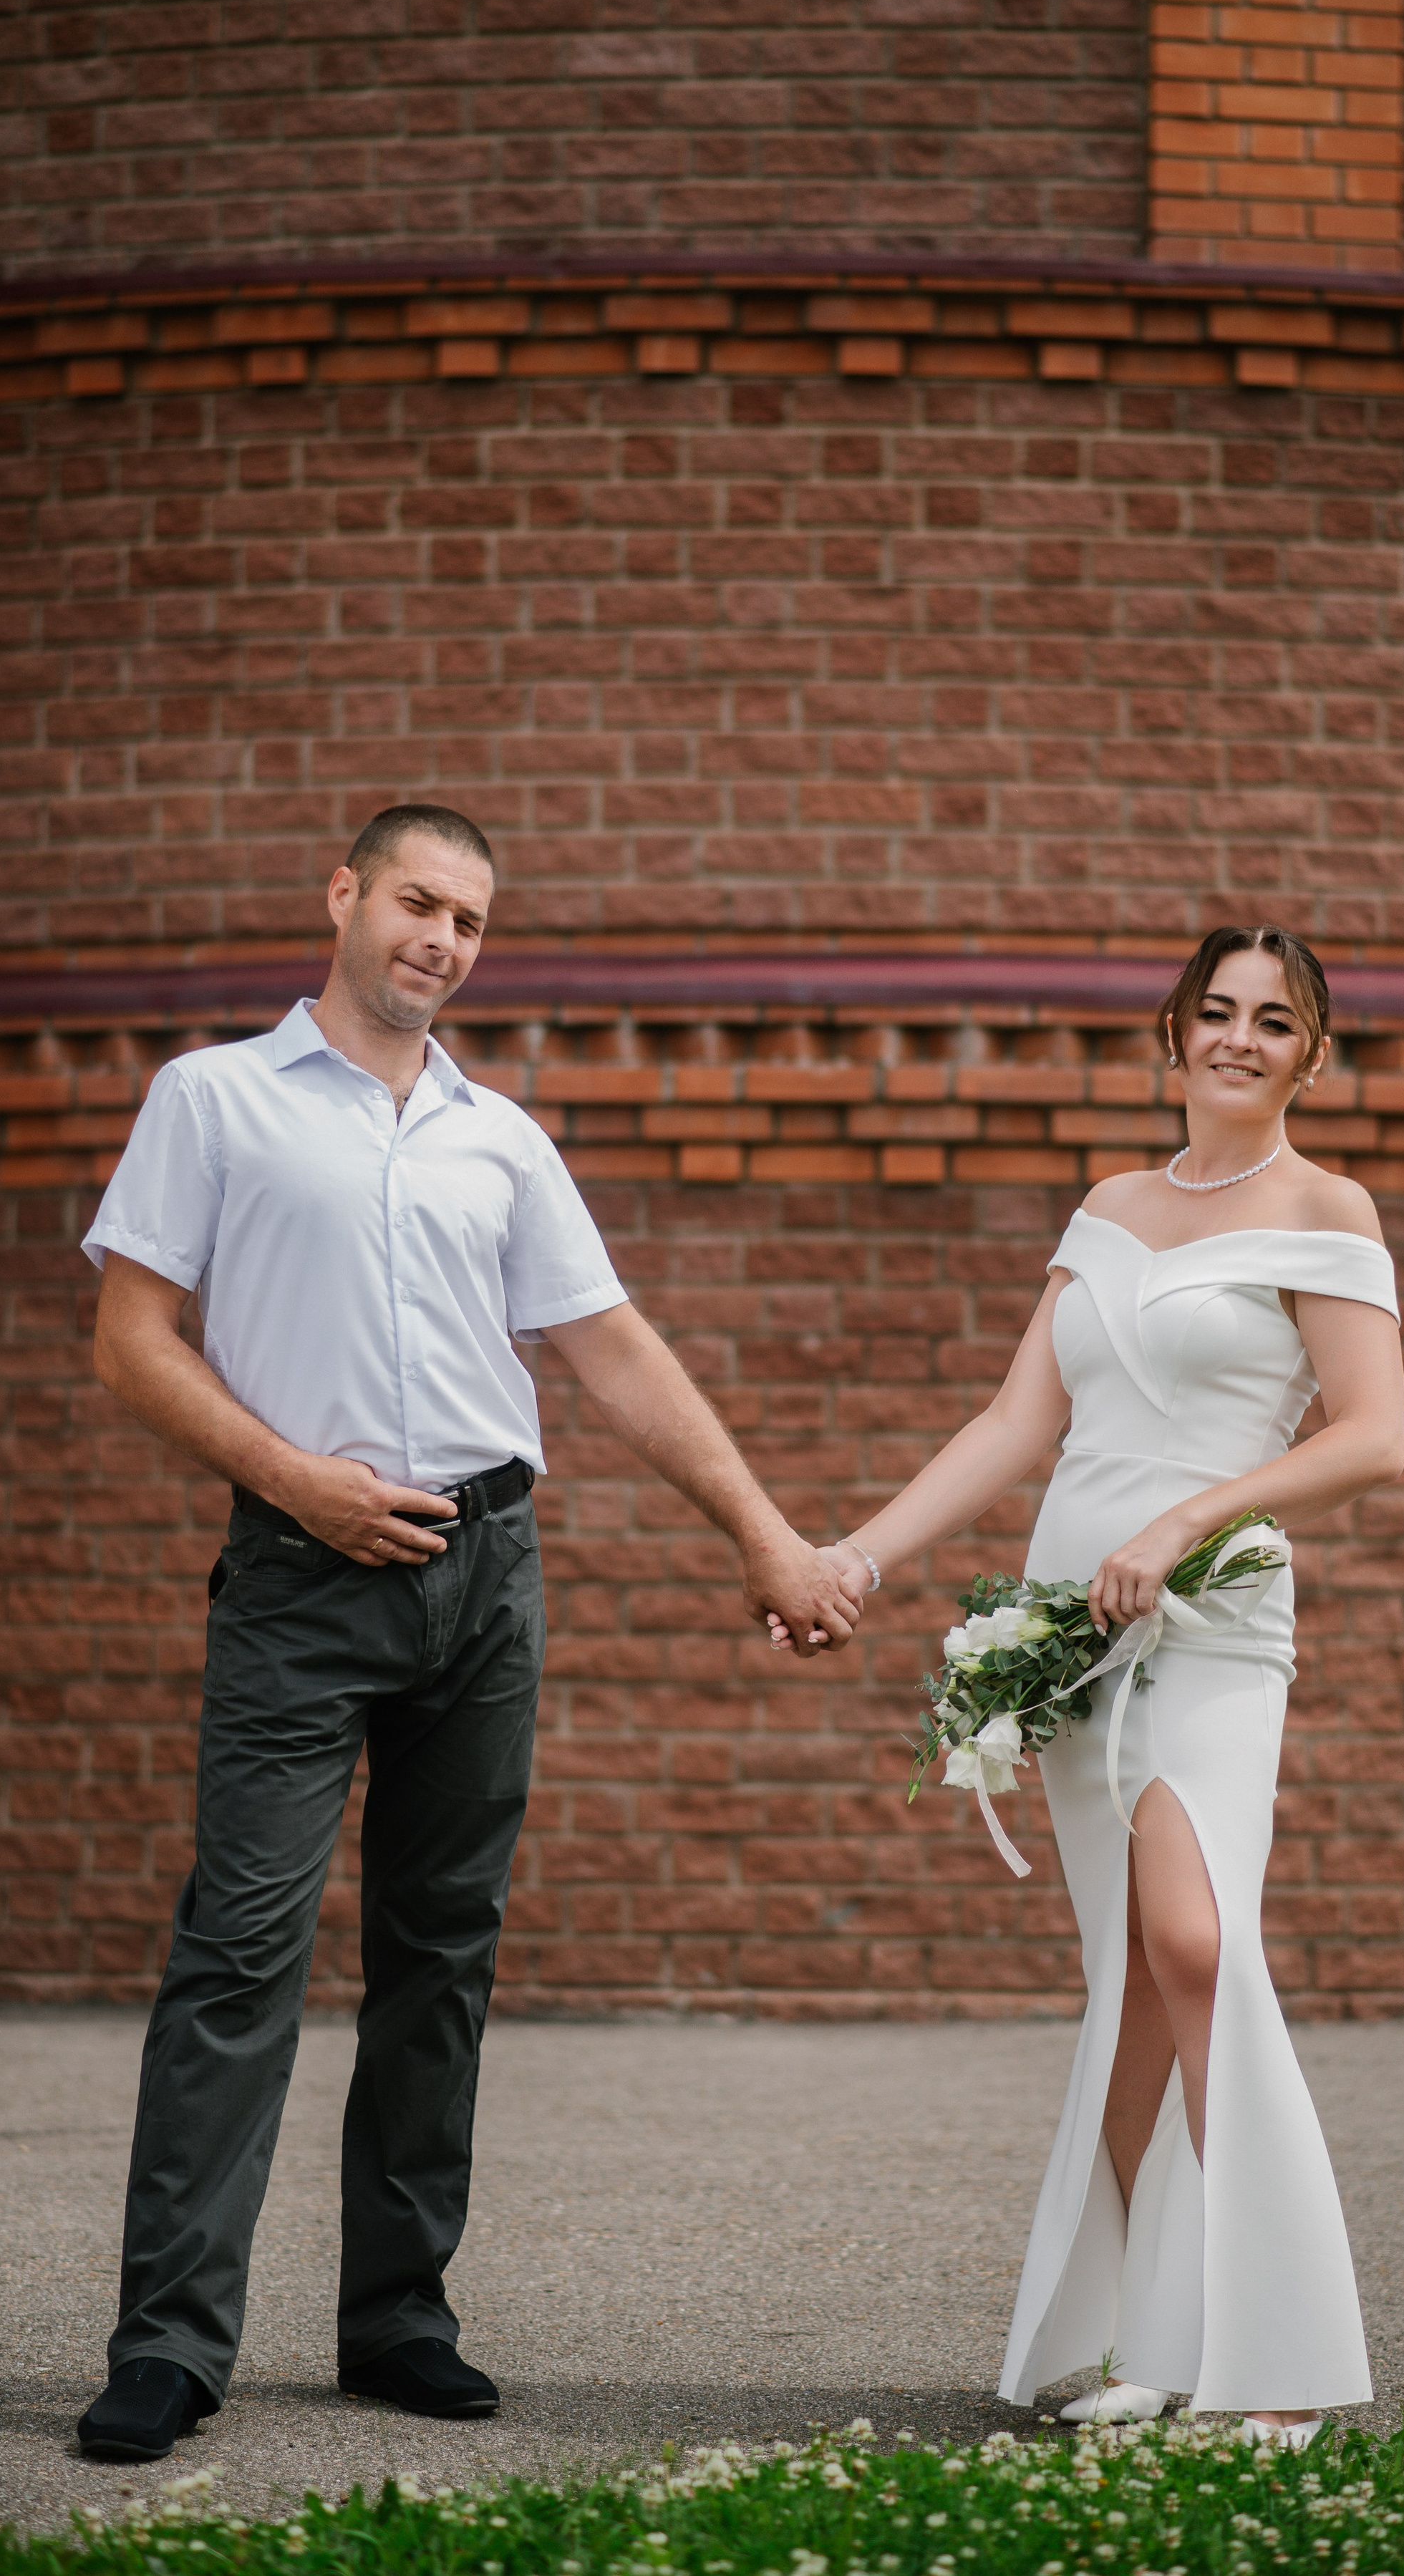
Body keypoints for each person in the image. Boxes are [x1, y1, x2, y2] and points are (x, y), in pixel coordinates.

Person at [73, 803, 860, 2464]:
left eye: (471, 920)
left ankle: (396, 2317)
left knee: (441, 1954)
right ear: (343, 896)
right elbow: (132, 1341)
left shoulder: (498, 1138)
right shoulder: (214, 1098)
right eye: (417, 902)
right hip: (301, 1573)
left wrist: (762, 1531)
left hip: (484, 1570)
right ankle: (168, 2346)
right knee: (241, 1952)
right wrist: (296, 1481)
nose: (440, 939)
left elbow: (613, 1348)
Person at [798, 927, 1404, 2446]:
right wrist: (857, 1558)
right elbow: (1017, 1425)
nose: (1241, 1039)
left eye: (1275, 1022)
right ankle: (1149, 2341)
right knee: (1131, 1985)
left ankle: (1280, 2356)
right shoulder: (1109, 1209)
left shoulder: (1326, 1210)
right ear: (1172, 1032)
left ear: (1312, 1056)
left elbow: (1370, 1436)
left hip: (1209, 1621)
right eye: (1217, 1012)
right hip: (1065, 1634)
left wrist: (1187, 1519)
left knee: (1196, 1944)